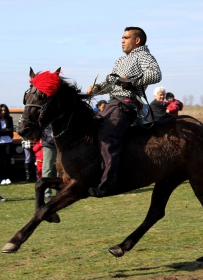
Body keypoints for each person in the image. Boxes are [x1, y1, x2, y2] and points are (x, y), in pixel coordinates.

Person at [86, 26, 162, 197]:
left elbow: (156, 74)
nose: (122, 40)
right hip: (112, 103)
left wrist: (132, 82)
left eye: (126, 37)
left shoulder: (143, 55)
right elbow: (110, 82)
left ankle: (108, 184)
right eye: (122, 37)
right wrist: (97, 88)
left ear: (137, 40)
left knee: (108, 138)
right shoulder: (121, 60)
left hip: (125, 105)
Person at [0, 104, 13, 185]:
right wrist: (5, 130)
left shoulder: (9, 118)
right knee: (0, 161)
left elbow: (11, 130)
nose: (3, 112)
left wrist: (0, 131)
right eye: (2, 110)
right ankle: (2, 178)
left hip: (8, 142)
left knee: (8, 160)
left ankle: (8, 178)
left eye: (5, 110)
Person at [42, 126, 57, 201]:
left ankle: (60, 192)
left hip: (61, 143)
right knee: (47, 169)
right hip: (49, 144)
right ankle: (47, 193)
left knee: (62, 170)